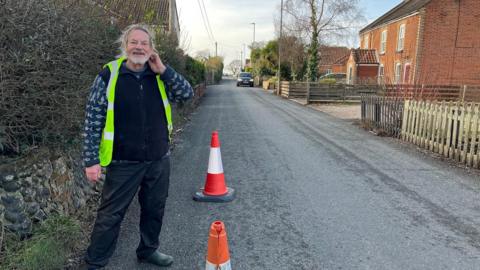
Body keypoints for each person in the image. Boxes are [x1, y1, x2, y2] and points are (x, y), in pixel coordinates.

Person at [82, 24, 193, 269]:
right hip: (123, 161)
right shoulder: (108, 76)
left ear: (152, 49)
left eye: (144, 43)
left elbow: (187, 94)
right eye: (134, 42)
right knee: (110, 216)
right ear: (124, 46)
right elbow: (92, 120)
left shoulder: (160, 75)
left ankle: (148, 250)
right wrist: (91, 160)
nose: (138, 47)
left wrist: (164, 70)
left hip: (158, 159)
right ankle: (95, 263)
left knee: (155, 209)